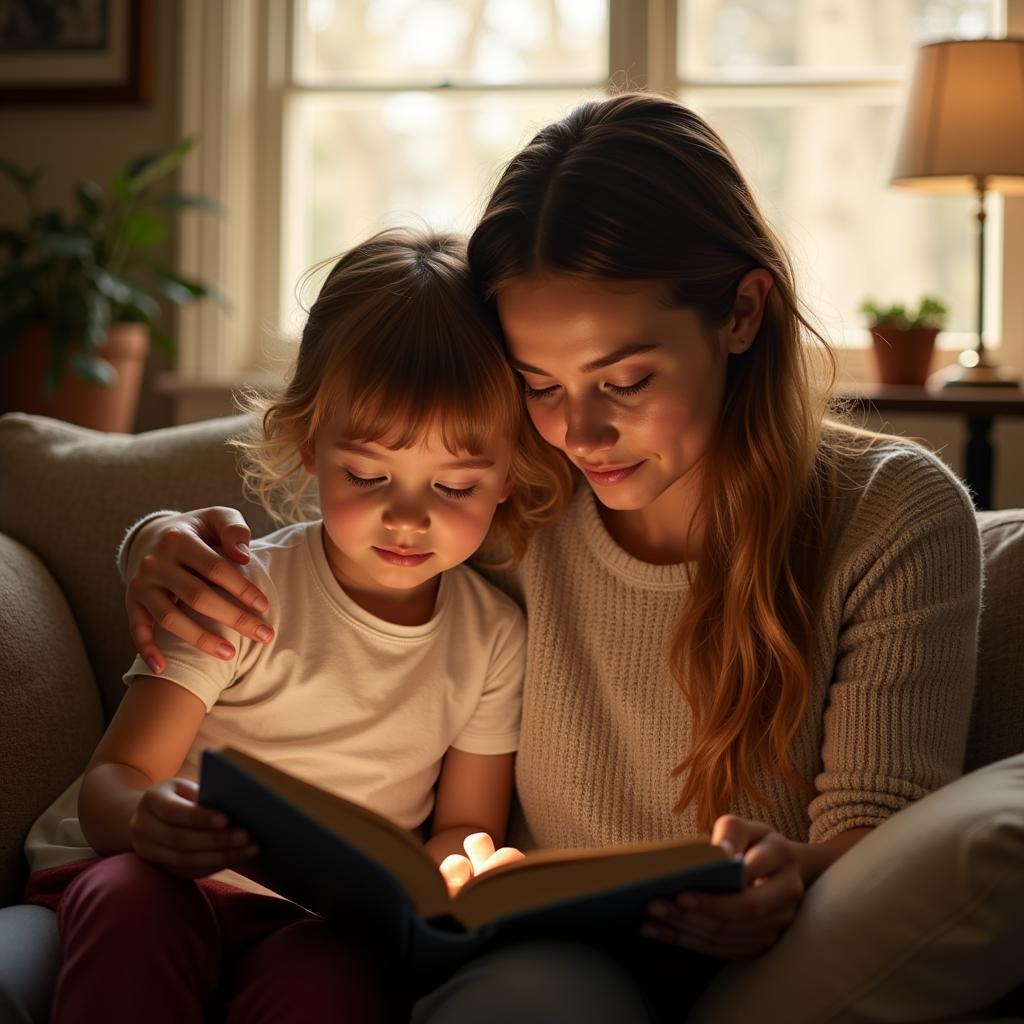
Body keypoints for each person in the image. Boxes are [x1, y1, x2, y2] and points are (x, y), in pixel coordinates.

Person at [113, 94, 983, 1021]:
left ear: (741, 311)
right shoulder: (526, 487)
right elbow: (358, 505)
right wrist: (155, 539)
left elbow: (880, 841)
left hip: (784, 957)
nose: (581, 430)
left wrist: (793, 874)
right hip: (547, 955)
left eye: (627, 379)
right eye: (539, 384)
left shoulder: (892, 513)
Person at [20, 229, 574, 1024]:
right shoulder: (242, 591)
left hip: (310, 922)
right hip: (149, 876)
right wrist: (149, 823)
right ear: (310, 446)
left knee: (337, 983)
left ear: (507, 479)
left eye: (454, 485)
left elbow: (464, 823)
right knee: (137, 906)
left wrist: (458, 874)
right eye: (369, 474)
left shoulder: (492, 639)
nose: (408, 516)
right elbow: (115, 781)